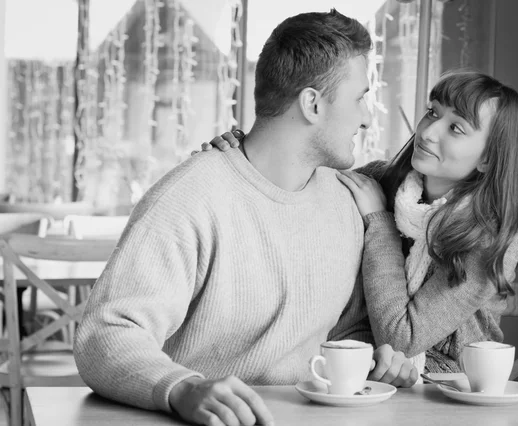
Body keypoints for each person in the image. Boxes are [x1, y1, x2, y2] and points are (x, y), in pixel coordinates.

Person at [73, 9, 417, 426]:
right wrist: (181, 388)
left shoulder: (348, 202)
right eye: (360, 97)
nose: (366, 117)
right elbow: (105, 333)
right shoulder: (193, 195)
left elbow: (346, 335)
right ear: (312, 104)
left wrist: (376, 365)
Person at [207, 70, 518, 378]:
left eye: (456, 128)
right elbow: (294, 185)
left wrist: (381, 224)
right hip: (359, 366)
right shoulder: (380, 182)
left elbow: (403, 338)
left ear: (488, 158)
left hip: (449, 384)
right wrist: (242, 155)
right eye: (432, 112)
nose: (428, 132)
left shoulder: (491, 236)